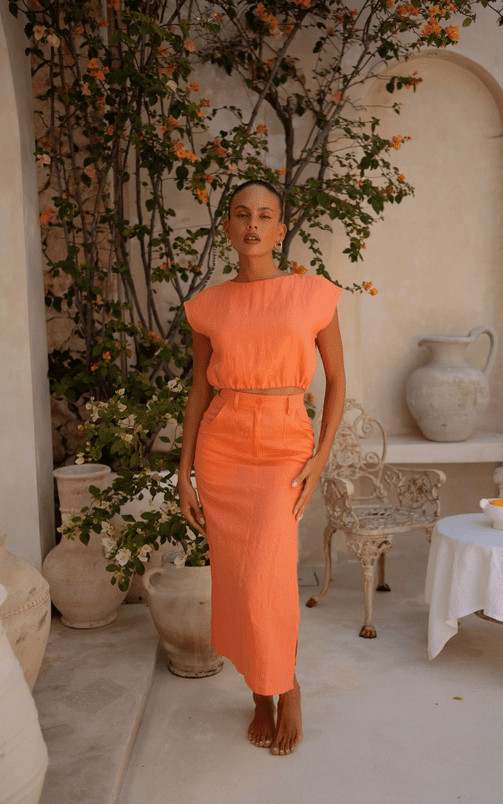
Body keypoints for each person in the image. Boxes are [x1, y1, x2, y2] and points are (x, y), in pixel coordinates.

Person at [178, 179, 346, 756]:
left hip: (284, 446)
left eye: (265, 215)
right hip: (222, 447)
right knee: (235, 577)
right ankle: (258, 691)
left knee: (269, 578)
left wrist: (319, 460)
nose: (253, 224)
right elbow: (198, 392)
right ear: (227, 228)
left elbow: (338, 383)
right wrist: (184, 473)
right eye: (242, 215)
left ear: (280, 229)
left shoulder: (312, 294)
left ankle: (287, 686)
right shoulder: (209, 306)